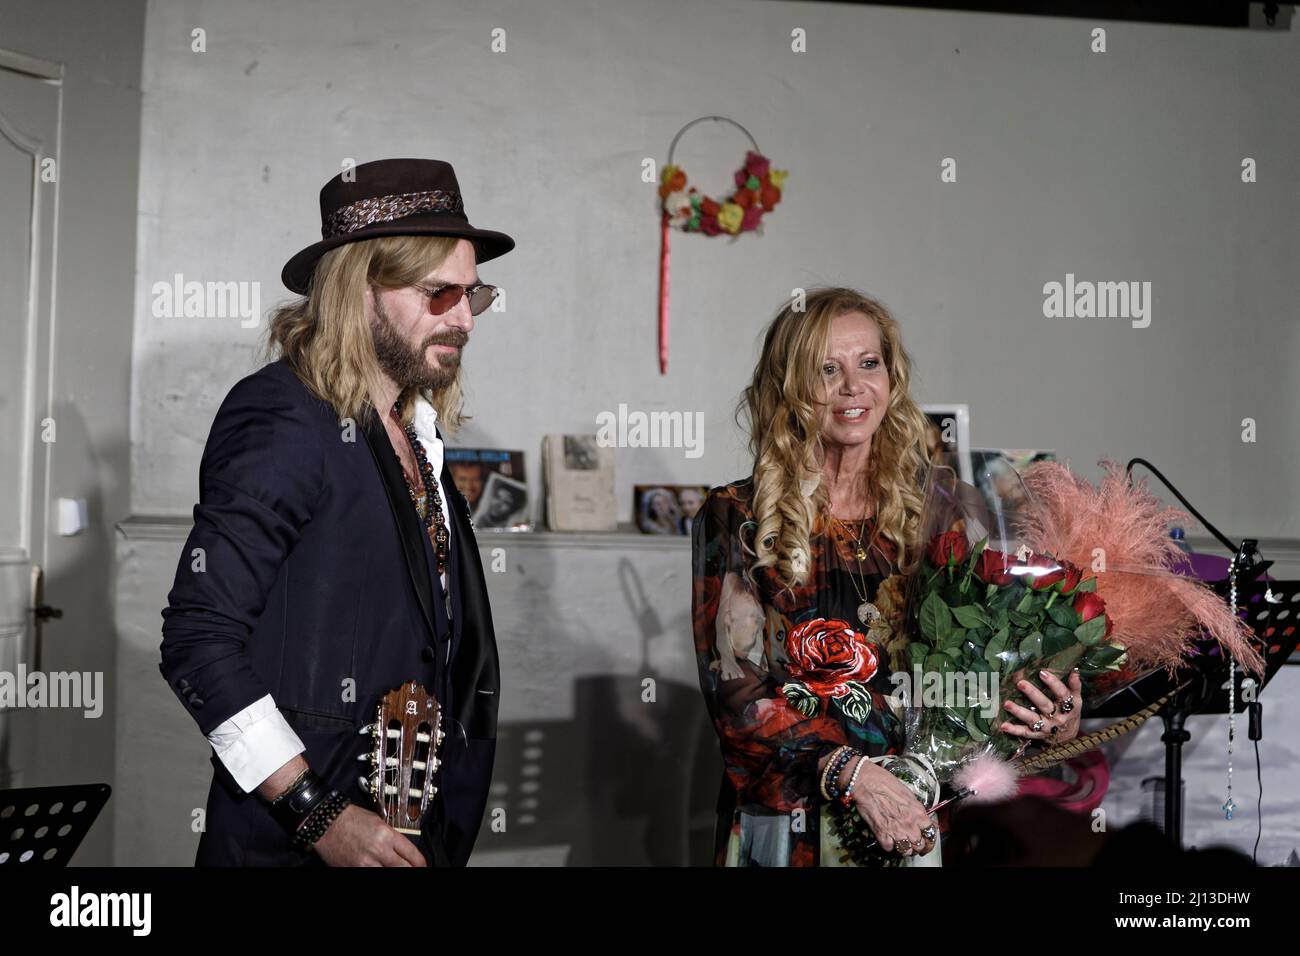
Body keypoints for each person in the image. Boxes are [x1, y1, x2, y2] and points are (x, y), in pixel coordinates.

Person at [160, 158, 513, 866]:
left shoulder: (416, 429)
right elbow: (198, 641)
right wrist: (315, 812)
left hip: (416, 830)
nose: (466, 318)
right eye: (440, 293)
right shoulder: (283, 417)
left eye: (474, 294)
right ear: (361, 291)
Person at [691, 288, 1083, 867]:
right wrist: (853, 775)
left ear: (891, 377)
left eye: (868, 364)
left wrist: (1039, 712)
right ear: (791, 387)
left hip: (920, 820)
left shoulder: (939, 511)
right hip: (794, 823)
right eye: (827, 369)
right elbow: (737, 698)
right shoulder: (736, 515)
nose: (852, 387)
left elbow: (965, 673)